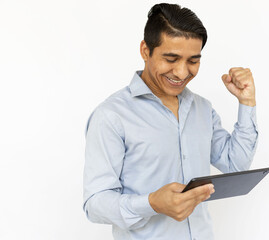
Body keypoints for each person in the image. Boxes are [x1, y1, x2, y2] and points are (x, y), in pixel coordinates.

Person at [83, 3, 258, 240]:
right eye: (171, 58)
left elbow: (235, 165)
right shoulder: (111, 116)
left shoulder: (202, 109)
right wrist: (152, 203)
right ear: (145, 50)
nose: (181, 72)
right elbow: (95, 203)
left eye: (193, 61)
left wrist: (246, 102)